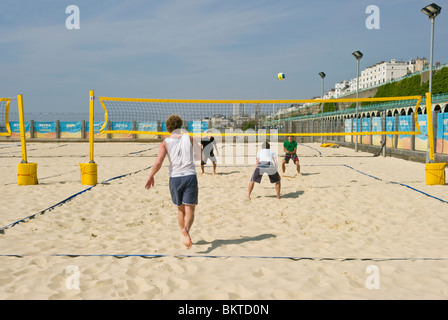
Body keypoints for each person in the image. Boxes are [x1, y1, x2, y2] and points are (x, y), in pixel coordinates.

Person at [145, 114, 201, 249]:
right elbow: (201, 156)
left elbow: (159, 162)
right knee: (190, 210)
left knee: (180, 210)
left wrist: (151, 175)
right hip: (190, 176)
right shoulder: (189, 138)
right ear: (180, 126)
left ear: (168, 127)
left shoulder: (165, 142)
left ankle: (185, 233)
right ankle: (186, 230)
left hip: (175, 178)